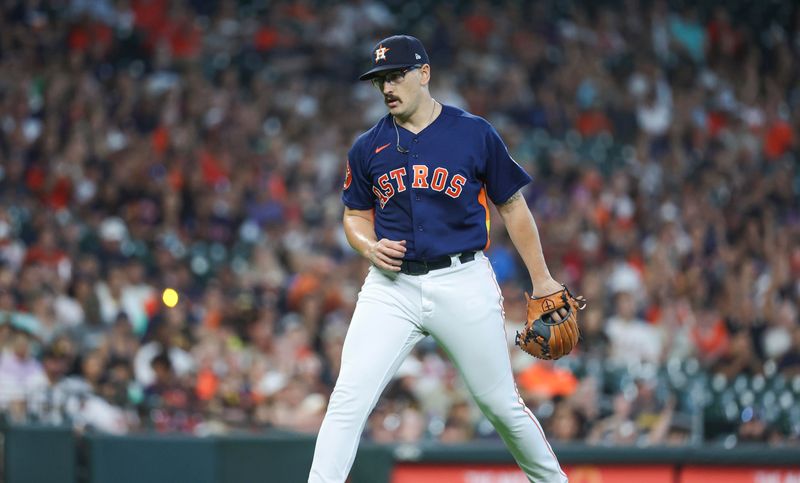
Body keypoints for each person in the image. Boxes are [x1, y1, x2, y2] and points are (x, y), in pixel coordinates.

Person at [308, 35, 568, 483]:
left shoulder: (473, 132)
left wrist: (543, 280)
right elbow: (353, 214)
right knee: (348, 398)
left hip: (462, 279)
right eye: (380, 80)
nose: (387, 87)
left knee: (501, 405)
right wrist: (368, 246)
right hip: (391, 288)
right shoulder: (367, 146)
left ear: (423, 74)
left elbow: (513, 207)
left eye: (396, 76)